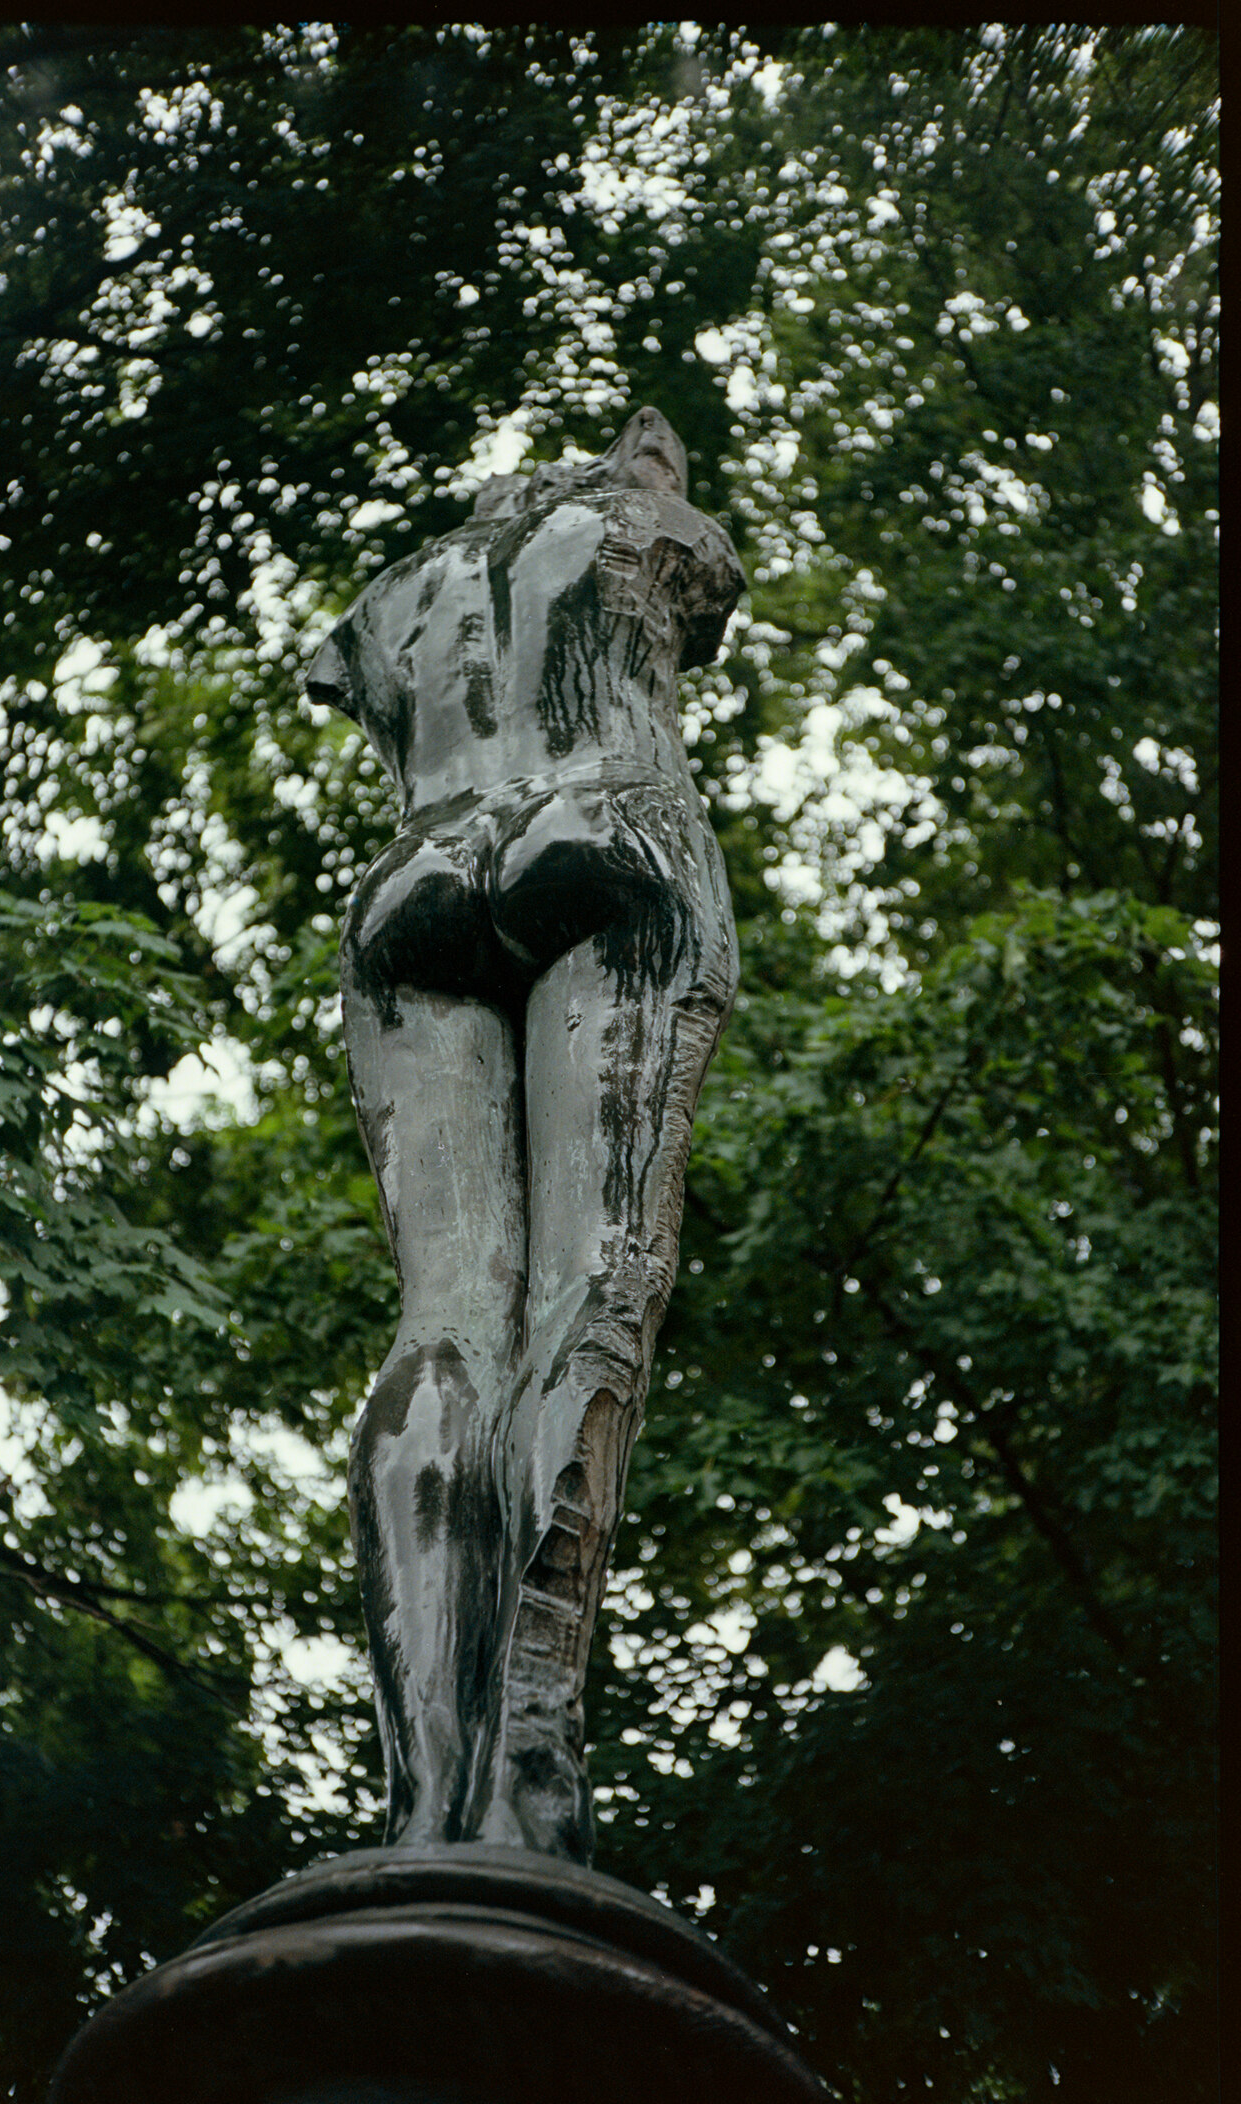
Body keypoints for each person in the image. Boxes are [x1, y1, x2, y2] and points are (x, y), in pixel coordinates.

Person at [305, 406, 745, 1863]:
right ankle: (529, 1757)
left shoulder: (398, 599)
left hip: (416, 869)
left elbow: (356, 680)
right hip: (610, 828)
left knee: (440, 1319)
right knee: (596, 1279)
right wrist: (653, 488)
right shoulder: (643, 510)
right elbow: (708, 583)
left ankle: (420, 1794)